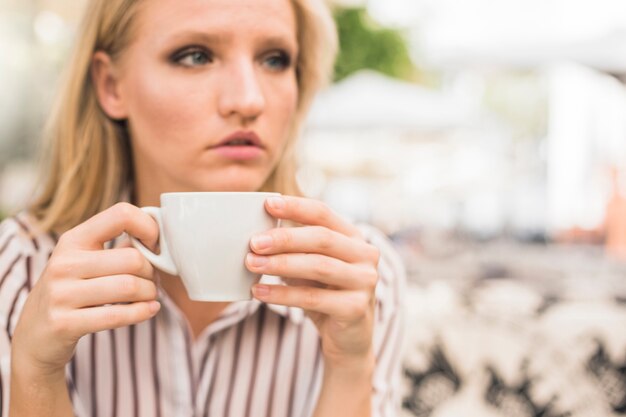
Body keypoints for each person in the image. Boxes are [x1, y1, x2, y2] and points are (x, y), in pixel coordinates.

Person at [0, 0, 405, 416]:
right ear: (111, 86)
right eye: (196, 55)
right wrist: (34, 371)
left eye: (274, 59)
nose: (248, 100)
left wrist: (350, 366)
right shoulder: (20, 268)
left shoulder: (360, 278)